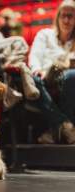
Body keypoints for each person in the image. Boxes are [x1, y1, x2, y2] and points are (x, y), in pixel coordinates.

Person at [28, 0, 75, 144]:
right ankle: (66, 126)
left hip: (66, 79)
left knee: (70, 76)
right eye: (63, 16)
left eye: (71, 16)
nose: (66, 20)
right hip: (44, 77)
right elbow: (34, 57)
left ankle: (56, 130)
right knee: (33, 80)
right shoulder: (45, 34)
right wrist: (38, 70)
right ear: (58, 17)